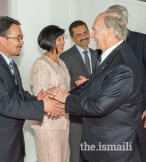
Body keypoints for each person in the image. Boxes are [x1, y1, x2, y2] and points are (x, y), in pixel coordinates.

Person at [48, 11, 146, 162]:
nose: (92, 36)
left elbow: (100, 106)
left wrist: (67, 99)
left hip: (115, 147)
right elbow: (97, 84)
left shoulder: (122, 64)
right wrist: (67, 95)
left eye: (94, 30)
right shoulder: (112, 56)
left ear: (110, 32)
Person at [0, 16, 64, 162]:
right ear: (3, 40)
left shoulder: (9, 63)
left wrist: (36, 99)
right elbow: (5, 104)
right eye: (18, 38)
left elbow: (18, 94)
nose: (22, 42)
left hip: (13, 141)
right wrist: (42, 106)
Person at [30, 25, 70, 162]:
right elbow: (41, 94)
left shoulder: (62, 63)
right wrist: (62, 97)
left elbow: (65, 89)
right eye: (59, 39)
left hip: (64, 121)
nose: (63, 42)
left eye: (63, 39)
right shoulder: (41, 63)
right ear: (49, 40)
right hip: (48, 124)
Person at [59, 20, 97, 162]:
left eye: (85, 32)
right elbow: (64, 87)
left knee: (94, 152)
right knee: (76, 153)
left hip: (96, 113)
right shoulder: (64, 57)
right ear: (72, 38)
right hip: (76, 116)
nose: (83, 37)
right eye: (78, 34)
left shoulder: (98, 54)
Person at [107, 5, 146, 128]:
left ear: (126, 22)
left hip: (140, 110)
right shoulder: (103, 44)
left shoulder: (142, 40)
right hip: (112, 112)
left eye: (117, 20)